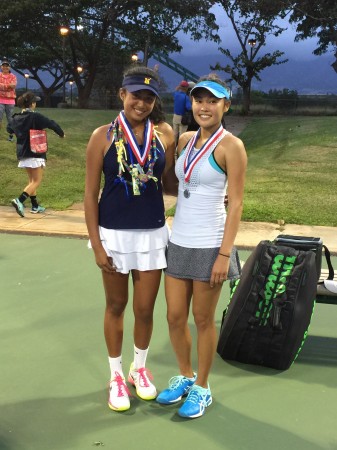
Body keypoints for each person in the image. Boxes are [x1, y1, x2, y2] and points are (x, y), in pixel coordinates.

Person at [84, 65, 176, 413]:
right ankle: (116, 375)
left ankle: (139, 368)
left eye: (149, 97)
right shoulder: (102, 136)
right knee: (116, 306)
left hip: (152, 233)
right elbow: (91, 193)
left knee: (145, 308)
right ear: (122, 94)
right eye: (136, 95)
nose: (142, 102)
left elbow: (168, 185)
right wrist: (96, 242)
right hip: (114, 235)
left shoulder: (165, 133)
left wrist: (208, 191)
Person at [156, 74, 247, 419]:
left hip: (211, 244)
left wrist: (225, 254)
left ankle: (203, 388)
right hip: (179, 240)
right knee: (175, 317)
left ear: (226, 105)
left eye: (213, 101)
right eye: (199, 100)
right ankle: (185, 376)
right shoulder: (185, 140)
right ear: (191, 103)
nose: (204, 107)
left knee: (203, 319)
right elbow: (177, 186)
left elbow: (236, 204)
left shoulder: (231, 147)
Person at [9, 91, 65, 217]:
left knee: (31, 180)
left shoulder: (16, 117)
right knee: (37, 180)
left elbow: (9, 128)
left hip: (22, 152)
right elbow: (51, 123)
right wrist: (61, 133)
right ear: (32, 104)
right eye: (35, 102)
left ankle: (35, 206)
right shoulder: (35, 117)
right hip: (35, 150)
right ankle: (19, 200)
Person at [0, 58, 17, 142]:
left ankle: (11, 135)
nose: (5, 67)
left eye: (7, 66)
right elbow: (10, 86)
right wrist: (8, 86)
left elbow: (13, 86)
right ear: (1, 67)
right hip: (0, 100)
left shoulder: (13, 76)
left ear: (9, 67)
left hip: (10, 101)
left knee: (10, 119)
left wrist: (3, 86)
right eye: (4, 66)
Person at [172, 80, 192, 146]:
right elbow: (188, 107)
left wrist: (178, 88)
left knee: (175, 134)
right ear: (186, 88)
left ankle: (173, 148)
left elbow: (175, 91)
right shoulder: (185, 97)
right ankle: (180, 149)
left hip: (175, 116)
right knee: (182, 135)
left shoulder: (176, 94)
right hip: (183, 117)